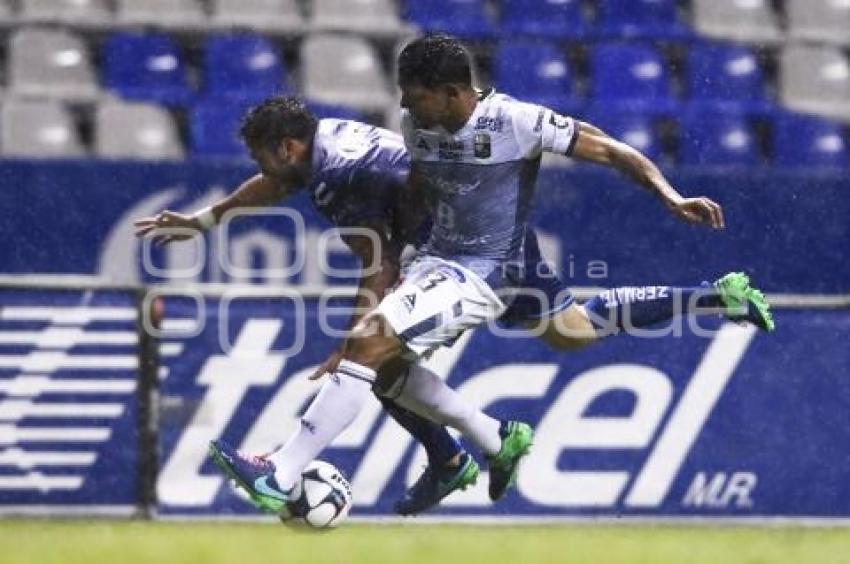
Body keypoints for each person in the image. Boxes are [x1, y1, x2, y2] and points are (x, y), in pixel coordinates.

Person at [206, 33, 774, 517]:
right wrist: (403, 259)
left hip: (483, 266)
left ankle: (281, 472)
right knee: (570, 331)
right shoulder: (415, 122)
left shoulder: (516, 121)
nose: (407, 106)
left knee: (372, 345)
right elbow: (419, 190)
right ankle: (714, 300)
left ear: (454, 93)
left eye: (418, 96)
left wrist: (670, 196)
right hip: (451, 255)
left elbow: (610, 148)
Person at [135, 97, 535, 516]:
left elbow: (378, 260)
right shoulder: (321, 142)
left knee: (366, 348)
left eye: (261, 157)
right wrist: (203, 221)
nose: (261, 168)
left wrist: (348, 345)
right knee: (383, 368)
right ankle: (484, 443)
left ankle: (281, 473)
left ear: (287, 148)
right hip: (453, 244)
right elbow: (276, 183)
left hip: (475, 255)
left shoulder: (342, 174)